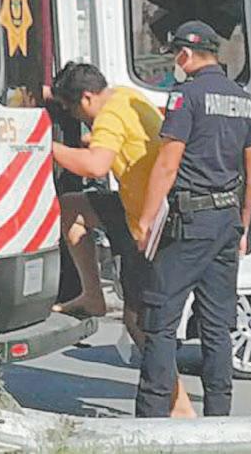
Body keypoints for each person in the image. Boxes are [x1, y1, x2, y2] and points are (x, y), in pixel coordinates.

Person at [50, 61, 196, 418]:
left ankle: (179, 404)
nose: (79, 120)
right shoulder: (126, 96)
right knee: (73, 207)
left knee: (138, 320)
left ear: (87, 98)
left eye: (74, 111)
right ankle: (93, 296)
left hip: (147, 222)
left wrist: (43, 146)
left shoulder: (109, 117)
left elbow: (96, 166)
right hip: (141, 206)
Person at [135, 20, 251, 418]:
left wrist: (145, 221)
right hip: (227, 221)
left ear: (186, 54)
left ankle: (152, 418)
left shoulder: (185, 96)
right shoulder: (243, 99)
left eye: (176, 54)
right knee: (217, 326)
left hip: (190, 223)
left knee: (159, 320)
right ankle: (219, 418)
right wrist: (243, 224)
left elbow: (167, 165)